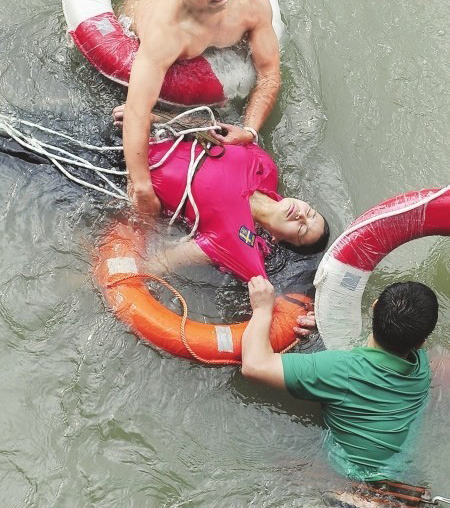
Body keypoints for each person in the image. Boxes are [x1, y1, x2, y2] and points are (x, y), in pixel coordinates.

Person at [114, 0, 281, 216]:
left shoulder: (251, 4)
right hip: (138, 20)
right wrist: (140, 186)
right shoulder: (166, 33)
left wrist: (249, 130)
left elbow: (269, 75)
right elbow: (136, 111)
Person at [241, 278, 439, 480]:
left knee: (275, 463)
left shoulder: (341, 369)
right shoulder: (421, 365)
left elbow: (254, 365)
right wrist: (324, 329)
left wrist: (262, 309)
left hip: (347, 480)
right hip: (399, 474)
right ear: (421, 342)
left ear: (374, 306)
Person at [146, 139, 329, 282]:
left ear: (278, 239)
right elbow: (226, 132)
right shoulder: (266, 168)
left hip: (134, 178)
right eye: (310, 213)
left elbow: (160, 261)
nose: (301, 216)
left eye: (301, 229)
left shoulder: (237, 245)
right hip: (149, 137)